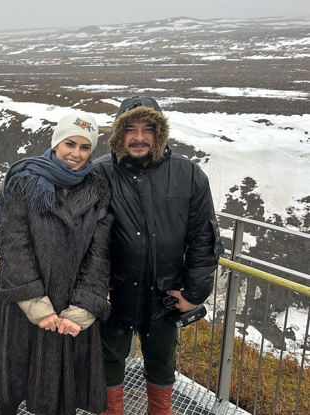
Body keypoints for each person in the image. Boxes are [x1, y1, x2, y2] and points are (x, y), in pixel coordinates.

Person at [0, 111, 114, 415]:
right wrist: (36, 304)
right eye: (70, 144)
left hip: (69, 306)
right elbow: (13, 244)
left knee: (62, 392)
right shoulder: (24, 182)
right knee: (11, 390)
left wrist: (81, 310)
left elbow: (99, 253)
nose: (76, 154)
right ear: (56, 143)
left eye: (85, 147)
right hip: (25, 302)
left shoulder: (98, 188)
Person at [93, 97, 223, 415]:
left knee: (162, 361)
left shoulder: (188, 175)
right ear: (119, 134)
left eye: (148, 129)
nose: (139, 137)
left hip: (165, 293)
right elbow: (84, 241)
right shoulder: (98, 174)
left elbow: (204, 240)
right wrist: (94, 286)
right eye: (130, 129)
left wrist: (193, 294)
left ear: (159, 133)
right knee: (108, 361)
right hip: (112, 292)